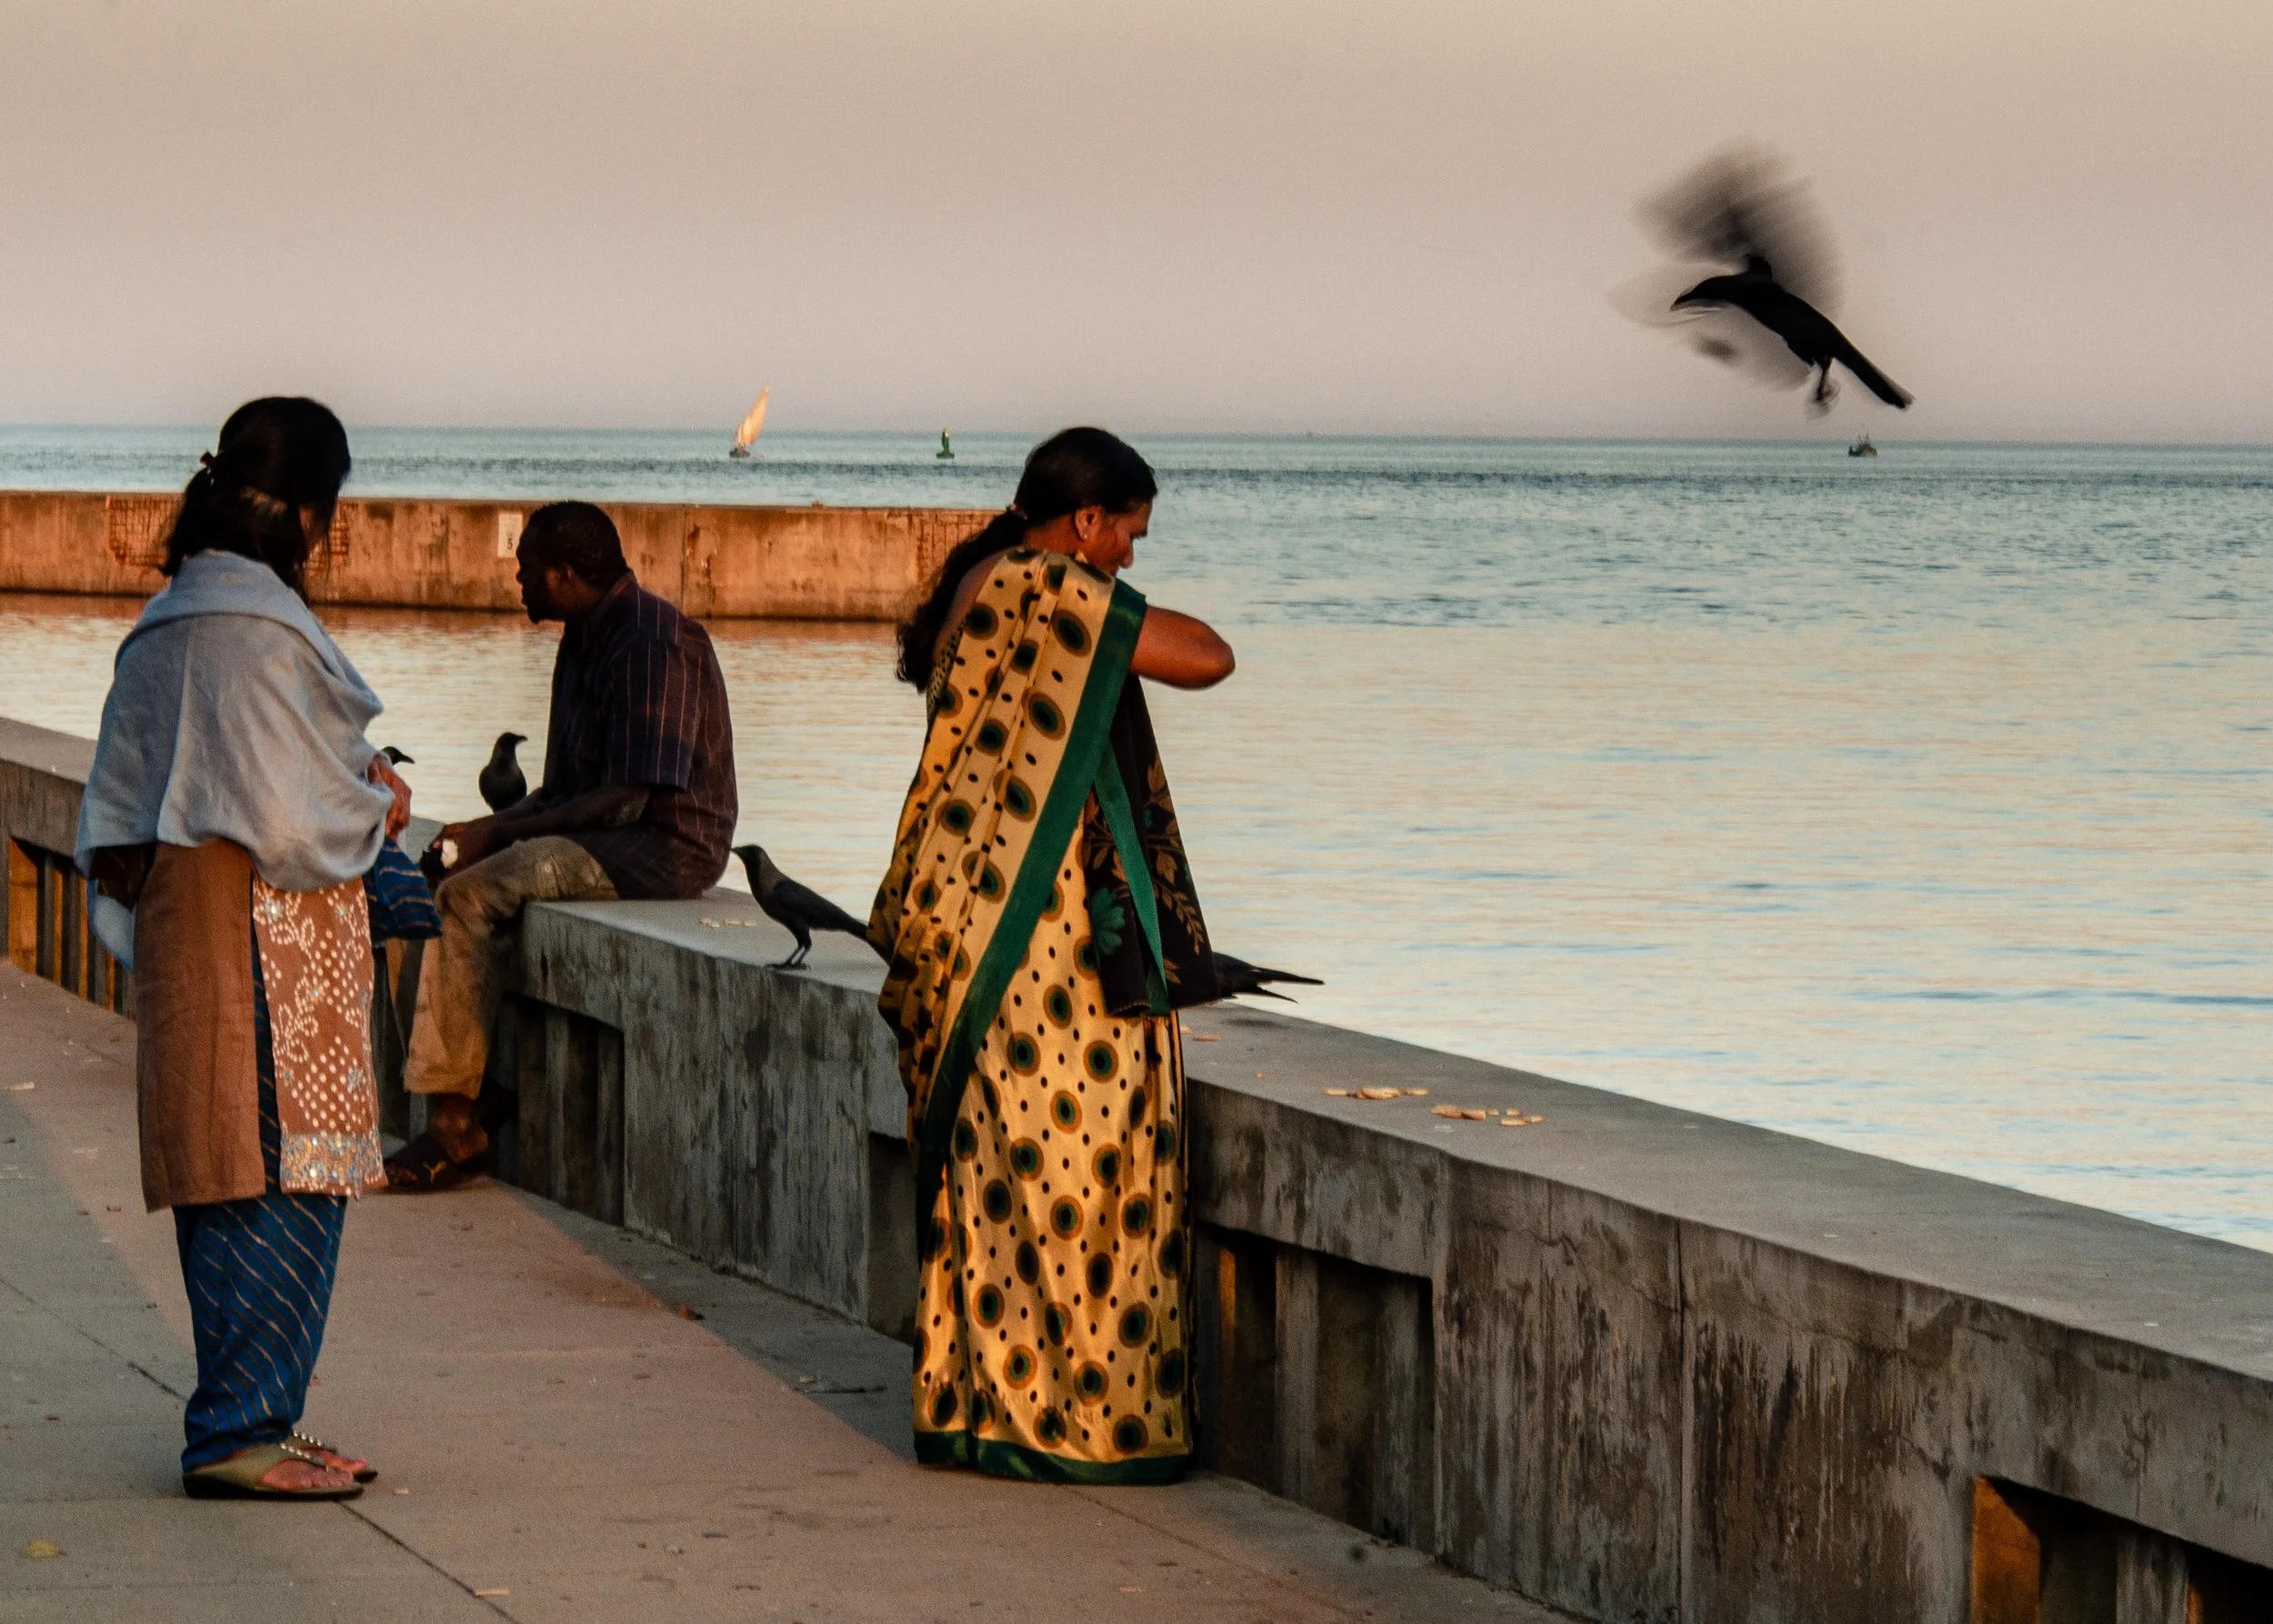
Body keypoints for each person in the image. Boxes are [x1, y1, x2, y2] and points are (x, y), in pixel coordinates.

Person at [870, 427, 1236, 1481]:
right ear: (1085, 520)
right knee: (1078, 1166)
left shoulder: (984, 578)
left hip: (967, 921)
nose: (1129, 557)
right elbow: (1205, 655)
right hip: (1032, 944)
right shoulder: (1039, 585)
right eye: (1128, 534)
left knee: (994, 1182)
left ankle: (985, 1409)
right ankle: (1079, 1420)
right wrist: (1109, 602)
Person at [76, 398, 413, 1499]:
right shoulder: (256, 632)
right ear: (310, 514)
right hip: (263, 933)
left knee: (230, 1173)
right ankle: (235, 1430)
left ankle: (259, 1413)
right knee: (273, 1177)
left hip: (189, 925)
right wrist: (373, 805)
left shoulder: (168, 618)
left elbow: (121, 808)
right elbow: (287, 814)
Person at [388, 501, 736, 1188]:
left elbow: (627, 797)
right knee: (422, 882)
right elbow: (562, 790)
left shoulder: (650, 640)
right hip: (603, 827)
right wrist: (476, 832)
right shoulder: (582, 638)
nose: (516, 583)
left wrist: (498, 834)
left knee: (471, 893)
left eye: (526, 572)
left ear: (566, 573)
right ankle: (464, 1088)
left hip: (662, 843)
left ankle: (455, 1123)